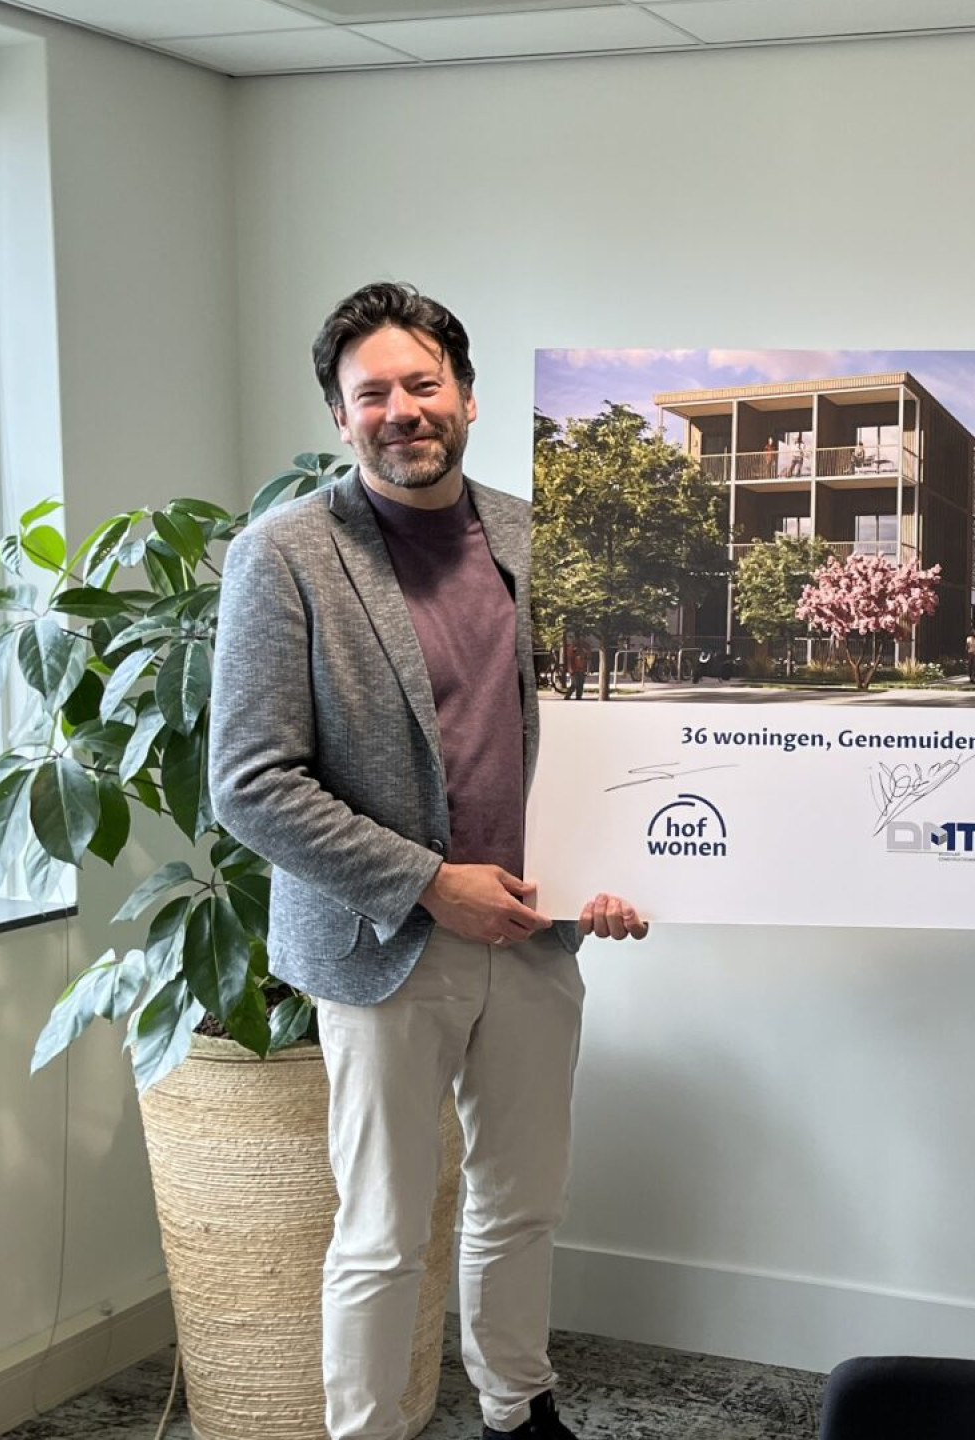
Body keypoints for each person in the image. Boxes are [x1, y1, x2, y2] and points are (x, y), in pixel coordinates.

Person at [210, 281, 651, 1440]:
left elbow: (600, 733)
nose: (401, 410)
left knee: (522, 1206)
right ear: (338, 415)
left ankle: (519, 1411)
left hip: (537, 934)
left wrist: (614, 867)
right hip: (386, 947)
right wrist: (426, 884)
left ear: (466, 396)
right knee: (383, 1230)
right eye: (372, 394)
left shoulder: (537, 538)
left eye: (422, 383)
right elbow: (250, 783)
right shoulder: (284, 556)